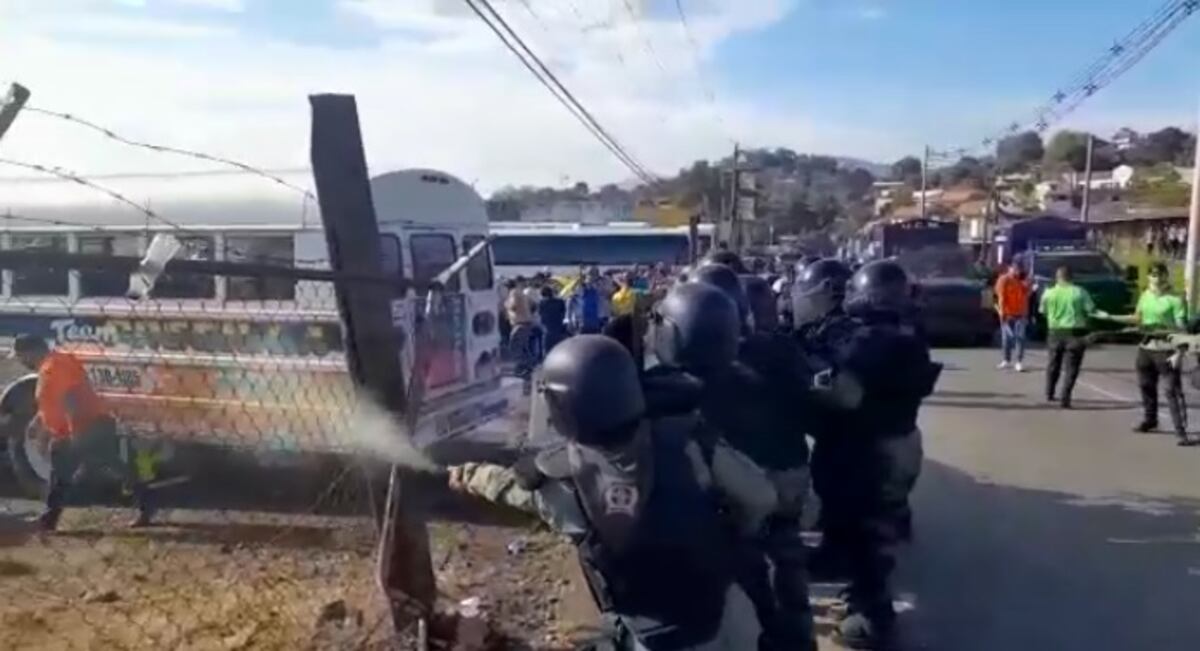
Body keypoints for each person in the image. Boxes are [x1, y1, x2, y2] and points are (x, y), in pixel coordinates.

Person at [448, 336, 771, 650]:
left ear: (561, 407)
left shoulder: (559, 486)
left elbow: (505, 488)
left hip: (655, 637)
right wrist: (735, 529)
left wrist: (468, 473)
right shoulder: (688, 442)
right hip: (725, 617)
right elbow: (762, 498)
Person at [658, 281, 817, 650]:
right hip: (777, 492)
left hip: (729, 513)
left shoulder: (676, 391)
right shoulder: (765, 363)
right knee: (783, 583)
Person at [799, 260, 937, 649]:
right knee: (853, 519)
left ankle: (873, 615)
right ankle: (835, 555)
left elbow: (847, 394)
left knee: (869, 533)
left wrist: (809, 376)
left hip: (872, 451)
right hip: (891, 440)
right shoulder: (904, 330)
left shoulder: (873, 339)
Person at [11, 335, 155, 531]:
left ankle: (48, 520)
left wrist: (74, 434)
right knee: (116, 467)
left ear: (31, 352)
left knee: (63, 474)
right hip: (88, 426)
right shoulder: (50, 366)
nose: (21, 361)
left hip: (86, 427)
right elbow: (52, 400)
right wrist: (39, 421)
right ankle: (146, 505)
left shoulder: (55, 367)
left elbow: (72, 399)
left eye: (21, 356)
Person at [1103, 263, 1193, 445]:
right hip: (1146, 349)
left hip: (1166, 350)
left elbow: (1182, 329)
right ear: (1149, 278)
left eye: (1160, 275)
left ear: (1166, 277)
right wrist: (1112, 317)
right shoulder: (1145, 295)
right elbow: (1138, 317)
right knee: (1146, 387)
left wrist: (1179, 353)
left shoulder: (1175, 299)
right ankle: (1150, 420)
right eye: (1153, 275)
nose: (1157, 279)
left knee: (1171, 391)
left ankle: (1180, 431)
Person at [1040, 266, 1096, 409]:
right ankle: (1065, 397)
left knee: (1053, 364)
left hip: (1055, 331)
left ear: (1057, 277)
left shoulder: (1048, 293)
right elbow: (1091, 310)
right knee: (1072, 367)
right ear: (1072, 277)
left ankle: (1049, 392)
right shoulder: (1079, 292)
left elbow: (1042, 311)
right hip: (1075, 332)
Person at [994, 259, 1032, 372]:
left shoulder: (1022, 280)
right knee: (1006, 338)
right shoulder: (1004, 279)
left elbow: (1026, 295)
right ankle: (1006, 360)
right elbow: (1001, 297)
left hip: (1021, 314)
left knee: (1020, 338)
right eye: (1015, 268)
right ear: (1010, 268)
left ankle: (1019, 362)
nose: (1017, 271)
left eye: (1019, 269)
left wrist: (1029, 286)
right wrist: (1001, 312)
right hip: (1007, 313)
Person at [538, 285, 569, 353]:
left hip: (547, 331)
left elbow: (540, 316)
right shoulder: (560, 302)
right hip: (559, 330)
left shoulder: (542, 303)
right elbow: (564, 315)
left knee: (547, 352)